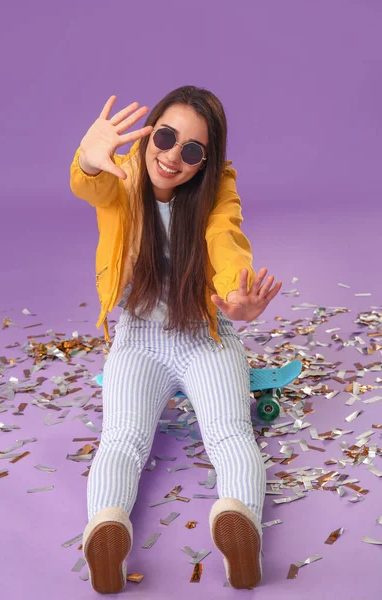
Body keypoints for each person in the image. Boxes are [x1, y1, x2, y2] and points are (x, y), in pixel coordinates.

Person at [69, 86, 282, 594]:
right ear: (148, 134)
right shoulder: (121, 176)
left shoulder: (217, 192)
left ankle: (241, 530)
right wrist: (88, 158)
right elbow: (91, 186)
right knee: (122, 438)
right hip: (138, 337)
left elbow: (225, 240)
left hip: (205, 332)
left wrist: (236, 294)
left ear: (206, 162)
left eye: (192, 150)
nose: (172, 156)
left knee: (229, 434)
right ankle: (108, 530)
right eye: (165, 137)